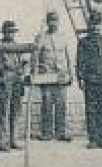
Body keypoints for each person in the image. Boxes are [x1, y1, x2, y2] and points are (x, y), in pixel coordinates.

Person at [76, 11, 102, 148]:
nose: (95, 27)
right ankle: (93, 139)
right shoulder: (84, 42)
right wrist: (80, 78)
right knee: (91, 109)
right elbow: (80, 61)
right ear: (89, 25)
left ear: (101, 26)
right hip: (90, 80)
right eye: (93, 24)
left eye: (97, 25)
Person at [32, 10, 74, 142]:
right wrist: (34, 73)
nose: (53, 23)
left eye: (55, 21)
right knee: (47, 104)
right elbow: (35, 56)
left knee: (61, 104)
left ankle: (60, 132)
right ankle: (47, 133)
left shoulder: (63, 37)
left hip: (61, 75)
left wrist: (71, 74)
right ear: (47, 22)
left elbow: (68, 57)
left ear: (58, 22)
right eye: (51, 21)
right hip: (46, 75)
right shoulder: (41, 37)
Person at [0, 20, 28, 151]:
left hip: (17, 81)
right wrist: (1, 75)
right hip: (4, 81)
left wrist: (23, 67)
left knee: (16, 111)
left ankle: (14, 139)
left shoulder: (17, 47)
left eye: (13, 32)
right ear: (4, 33)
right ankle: (2, 141)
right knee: (4, 111)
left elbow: (22, 63)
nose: (11, 34)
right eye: (8, 32)